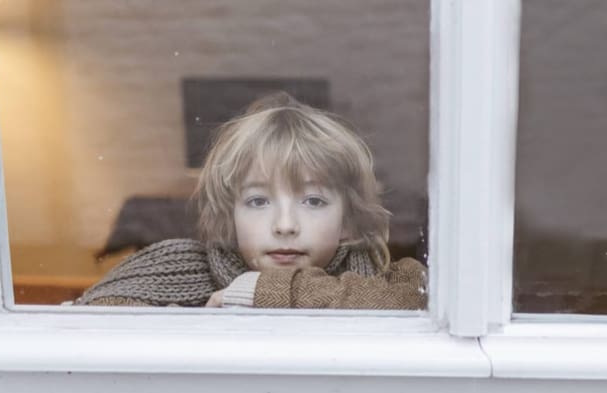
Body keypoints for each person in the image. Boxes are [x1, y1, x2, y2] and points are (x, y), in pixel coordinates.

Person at [75, 93, 426, 310]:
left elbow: (414, 305)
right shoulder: (180, 267)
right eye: (258, 201)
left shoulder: (392, 282)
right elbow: (87, 318)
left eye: (314, 201)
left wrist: (263, 290)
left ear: (348, 221)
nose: (285, 225)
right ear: (230, 214)